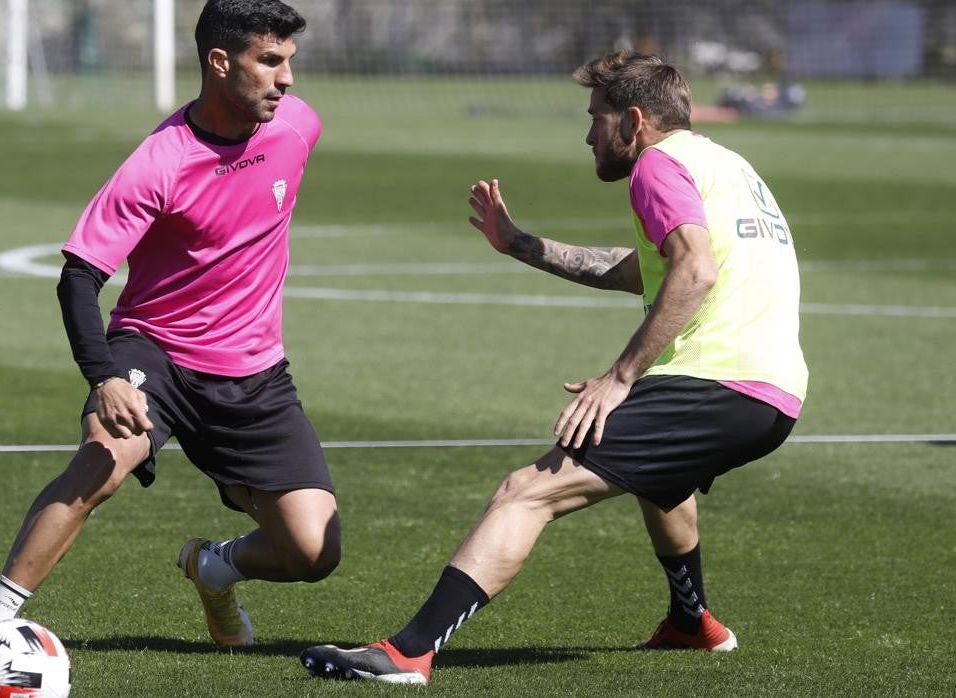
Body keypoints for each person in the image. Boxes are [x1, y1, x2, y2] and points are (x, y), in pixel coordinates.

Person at [301, 50, 808, 685]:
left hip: (718, 381)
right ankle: (691, 622)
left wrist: (618, 379)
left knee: (526, 491)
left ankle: (409, 653)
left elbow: (696, 271)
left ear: (633, 120)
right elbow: (641, 269)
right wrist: (521, 244)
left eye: (596, 118)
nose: (588, 133)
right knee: (661, 474)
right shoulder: (725, 164)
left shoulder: (657, 165)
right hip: (773, 390)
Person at [0, 0, 339, 665]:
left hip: (254, 371)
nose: (287, 81)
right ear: (220, 62)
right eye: (269, 62)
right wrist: (104, 375)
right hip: (154, 352)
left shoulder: (298, 127)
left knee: (312, 552)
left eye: (290, 63)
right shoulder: (158, 163)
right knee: (102, 461)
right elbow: (78, 276)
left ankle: (215, 567)